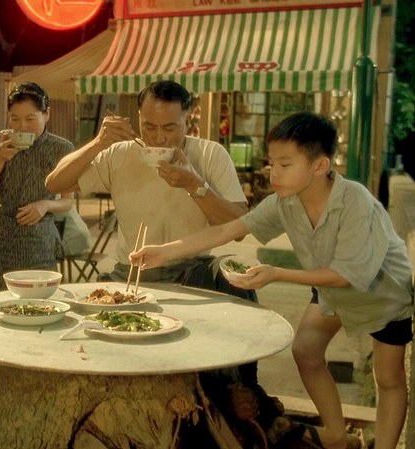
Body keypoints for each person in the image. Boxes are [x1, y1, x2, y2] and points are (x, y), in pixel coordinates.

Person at [131, 112, 412, 449]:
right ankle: (337, 436)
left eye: (284, 164)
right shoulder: (284, 202)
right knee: (306, 350)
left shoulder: (355, 201)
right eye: (271, 163)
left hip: (382, 292)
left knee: (388, 378)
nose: (273, 172)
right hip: (333, 289)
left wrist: (276, 273)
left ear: (320, 166)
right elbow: (228, 230)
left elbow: (346, 275)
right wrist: (164, 252)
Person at [45, 80, 252, 300]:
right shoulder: (120, 154)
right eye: (149, 126)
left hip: (192, 270)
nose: (158, 137)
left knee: (238, 275)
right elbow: (54, 184)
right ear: (139, 118)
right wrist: (98, 143)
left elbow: (240, 228)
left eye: (169, 128)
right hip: (132, 271)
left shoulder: (210, 154)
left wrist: (194, 184)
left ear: (187, 119)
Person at [0, 81, 75, 294]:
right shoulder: (1, 141)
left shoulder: (62, 148)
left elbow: (68, 201)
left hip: (38, 247)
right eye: (15, 119)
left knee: (38, 305)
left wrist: (45, 205)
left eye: (30, 119)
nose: (22, 127)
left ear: (46, 114)